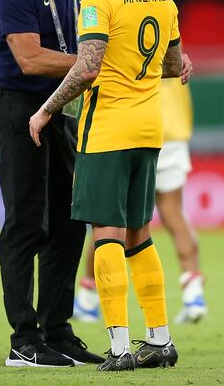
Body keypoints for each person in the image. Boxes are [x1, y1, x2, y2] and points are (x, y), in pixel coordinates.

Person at [29, 0, 193, 372]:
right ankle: (160, 339)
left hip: (108, 130)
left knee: (106, 236)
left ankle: (120, 346)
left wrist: (45, 110)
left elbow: (87, 66)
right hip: (149, 128)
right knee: (140, 235)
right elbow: (170, 65)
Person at [0, 0, 102, 368]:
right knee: (27, 222)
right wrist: (90, 64)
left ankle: (57, 330)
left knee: (68, 221)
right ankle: (23, 338)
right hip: (19, 109)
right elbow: (29, 58)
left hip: (64, 107)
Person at [73, 78, 207, 324]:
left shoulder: (123, 42)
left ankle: (87, 297)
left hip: (129, 130)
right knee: (174, 214)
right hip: (171, 133)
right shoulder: (170, 40)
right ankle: (193, 292)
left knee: (108, 218)